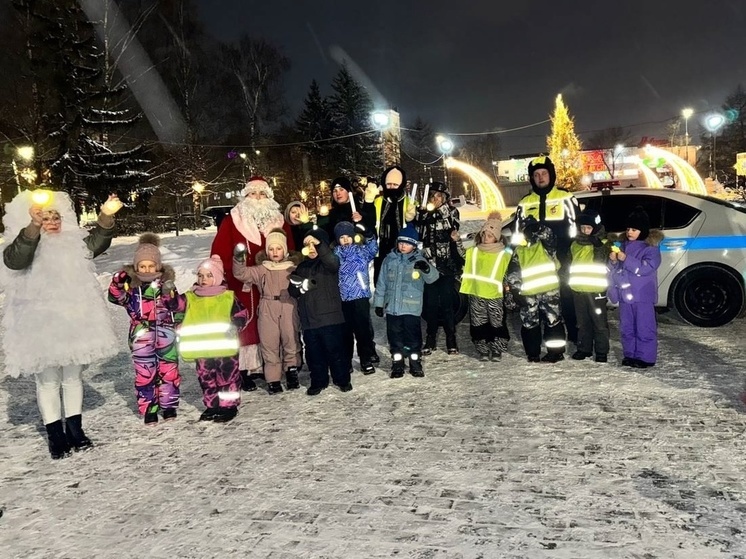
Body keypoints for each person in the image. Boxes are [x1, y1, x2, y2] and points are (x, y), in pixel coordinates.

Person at [1, 189, 121, 459]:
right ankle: (55, 434)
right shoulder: (23, 243)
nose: (52, 222)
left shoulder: (73, 243)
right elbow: (15, 258)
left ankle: (76, 430)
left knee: (72, 378)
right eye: (45, 218)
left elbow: (97, 243)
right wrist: (32, 226)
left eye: (56, 217)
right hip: (40, 324)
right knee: (47, 382)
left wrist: (105, 216)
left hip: (73, 321)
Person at [211, 176, 294, 392]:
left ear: (269, 197)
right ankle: (246, 369)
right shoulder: (233, 220)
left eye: (262, 194)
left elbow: (291, 249)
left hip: (274, 283)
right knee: (245, 324)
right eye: (253, 194)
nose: (258, 198)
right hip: (242, 283)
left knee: (275, 326)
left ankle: (272, 365)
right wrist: (219, 274)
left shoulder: (279, 221)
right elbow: (219, 250)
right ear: (245, 196)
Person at [108, 234, 186, 424]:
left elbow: (180, 307)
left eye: (151, 266)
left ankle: (169, 406)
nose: (147, 270)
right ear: (136, 268)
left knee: (169, 372)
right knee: (145, 374)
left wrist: (171, 297)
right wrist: (118, 282)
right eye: (142, 266)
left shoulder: (166, 286)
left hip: (166, 335)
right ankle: (149, 408)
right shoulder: (132, 290)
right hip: (141, 337)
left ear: (158, 266)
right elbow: (115, 297)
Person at [514, 156, 580, 343]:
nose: (541, 177)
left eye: (544, 173)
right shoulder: (525, 202)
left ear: (551, 175)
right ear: (532, 178)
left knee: (566, 298)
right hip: (535, 263)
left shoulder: (565, 197)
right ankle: (544, 340)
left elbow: (576, 227)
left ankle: (574, 338)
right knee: (538, 301)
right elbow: (517, 235)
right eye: (536, 175)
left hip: (563, 258)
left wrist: (569, 253)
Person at [178, 255, 248, 422]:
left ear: (217, 277)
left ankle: (229, 406)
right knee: (206, 378)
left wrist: (235, 325)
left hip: (225, 349)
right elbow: (176, 307)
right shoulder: (190, 297)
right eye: (200, 275)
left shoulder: (228, 297)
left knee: (227, 378)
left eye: (209, 275)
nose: (204, 279)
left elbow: (242, 314)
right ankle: (212, 405)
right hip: (202, 349)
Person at [232, 228, 302, 393]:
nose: (275, 252)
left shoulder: (293, 268)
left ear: (284, 250)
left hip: (288, 306)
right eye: (271, 249)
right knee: (269, 343)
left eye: (278, 248)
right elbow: (240, 273)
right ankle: (273, 379)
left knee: (290, 339)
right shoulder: (262, 269)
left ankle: (292, 371)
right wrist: (239, 258)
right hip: (267, 307)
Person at [288, 228, 352, 395]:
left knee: (336, 351)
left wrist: (319, 244)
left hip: (331, 319)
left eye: (315, 245)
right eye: (307, 245)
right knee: (314, 355)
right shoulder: (301, 267)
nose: (311, 249)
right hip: (309, 321)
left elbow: (332, 261)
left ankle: (342, 378)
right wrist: (298, 287)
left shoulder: (329, 264)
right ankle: (318, 380)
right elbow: (293, 292)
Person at [373, 225, 439, 377]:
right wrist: (379, 303)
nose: (403, 246)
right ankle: (397, 363)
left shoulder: (419, 260)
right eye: (401, 242)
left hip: (411, 308)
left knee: (413, 337)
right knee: (395, 337)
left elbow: (433, 278)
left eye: (408, 243)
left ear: (414, 245)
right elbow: (381, 283)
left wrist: (426, 269)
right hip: (393, 309)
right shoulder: (389, 260)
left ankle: (415, 362)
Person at [505, 217, 567, 363]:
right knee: (529, 324)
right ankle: (533, 354)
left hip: (549, 291)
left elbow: (550, 235)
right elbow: (514, 272)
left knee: (553, 322)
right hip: (528, 294)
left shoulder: (545, 246)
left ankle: (556, 352)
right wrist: (515, 290)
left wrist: (538, 228)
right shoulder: (519, 250)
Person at [608, 206, 662, 368]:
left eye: (634, 229)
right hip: (626, 295)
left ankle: (645, 357)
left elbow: (645, 268)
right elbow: (615, 271)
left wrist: (626, 259)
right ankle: (630, 355)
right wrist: (613, 261)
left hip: (642, 296)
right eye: (628, 229)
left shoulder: (650, 249)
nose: (630, 232)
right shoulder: (623, 247)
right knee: (627, 327)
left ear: (643, 231)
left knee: (644, 327)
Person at [415, 181, 465, 355]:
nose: (434, 199)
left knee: (446, 303)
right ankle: (430, 338)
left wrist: (437, 211)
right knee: (430, 303)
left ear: (444, 198)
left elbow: (453, 226)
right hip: (429, 265)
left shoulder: (451, 211)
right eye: (432, 195)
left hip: (447, 264)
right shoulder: (425, 214)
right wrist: (420, 214)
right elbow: (418, 231)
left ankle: (451, 338)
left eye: (438, 196)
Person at [459, 212, 511, 361]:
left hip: (494, 295)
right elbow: (461, 254)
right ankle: (482, 349)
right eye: (483, 235)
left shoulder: (504, 254)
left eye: (489, 236)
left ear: (497, 237)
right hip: (476, 293)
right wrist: (457, 241)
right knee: (478, 323)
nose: (485, 238)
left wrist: (508, 292)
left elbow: (506, 274)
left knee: (497, 323)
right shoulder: (474, 251)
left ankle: (497, 349)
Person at [333, 220, 379, 374]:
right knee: (345, 333)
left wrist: (368, 234)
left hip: (360, 296)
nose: (345, 239)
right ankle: (346, 361)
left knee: (363, 331)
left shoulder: (362, 251)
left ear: (353, 236)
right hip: (344, 298)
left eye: (348, 236)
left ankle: (365, 359)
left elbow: (374, 249)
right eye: (341, 237)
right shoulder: (336, 254)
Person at [568, 209, 611, 362]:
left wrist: (598, 246)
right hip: (578, 290)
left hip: (596, 290)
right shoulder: (575, 244)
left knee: (599, 323)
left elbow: (602, 261)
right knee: (582, 323)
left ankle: (601, 352)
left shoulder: (603, 243)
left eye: (589, 228)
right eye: (583, 227)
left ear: (596, 228)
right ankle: (584, 349)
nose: (585, 231)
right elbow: (570, 263)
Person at [373, 165, 417, 283]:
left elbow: (415, 228)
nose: (392, 187)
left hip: (401, 247)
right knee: (381, 279)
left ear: (401, 185)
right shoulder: (378, 201)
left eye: (395, 185)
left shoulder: (409, 202)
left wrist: (411, 219)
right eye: (389, 184)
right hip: (381, 246)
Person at [324, 176, 377, 241]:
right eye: (335, 191)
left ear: (349, 191)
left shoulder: (361, 208)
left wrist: (361, 221)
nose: (338, 193)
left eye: (341, 189)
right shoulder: (332, 214)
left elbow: (372, 232)